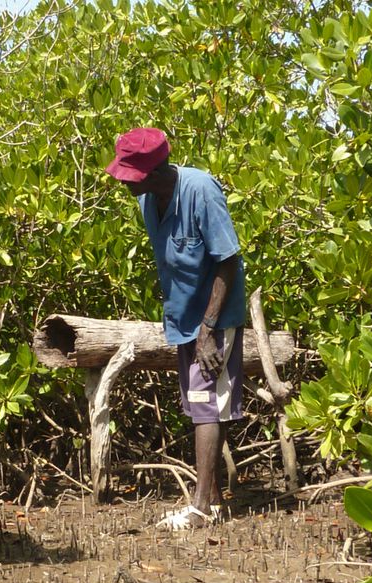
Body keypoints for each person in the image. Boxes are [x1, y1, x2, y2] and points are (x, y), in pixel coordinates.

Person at [105, 127, 245, 529]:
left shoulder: (201, 191)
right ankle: (214, 502)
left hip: (213, 319)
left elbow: (228, 261)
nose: (123, 182)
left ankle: (200, 510)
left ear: (153, 171)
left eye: (129, 173)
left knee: (206, 407)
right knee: (197, 404)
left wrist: (208, 329)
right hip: (183, 319)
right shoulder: (148, 198)